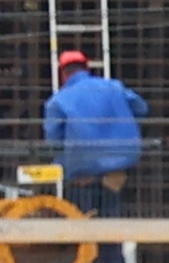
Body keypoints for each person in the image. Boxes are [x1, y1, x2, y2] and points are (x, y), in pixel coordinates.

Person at [44, 47, 145, 199]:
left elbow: (53, 139)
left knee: (81, 215)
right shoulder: (115, 87)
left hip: (82, 167)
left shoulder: (58, 101)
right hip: (120, 161)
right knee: (112, 212)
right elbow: (141, 108)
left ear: (63, 74)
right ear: (87, 68)